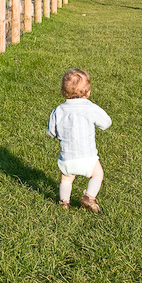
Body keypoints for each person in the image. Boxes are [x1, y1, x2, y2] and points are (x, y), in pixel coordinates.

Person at [47, 68, 112, 213]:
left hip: (67, 158)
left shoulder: (58, 110)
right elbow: (106, 122)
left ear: (63, 92)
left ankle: (64, 202)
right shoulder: (90, 108)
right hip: (88, 157)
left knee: (66, 180)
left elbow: (51, 132)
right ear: (88, 92)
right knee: (98, 174)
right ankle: (89, 196)